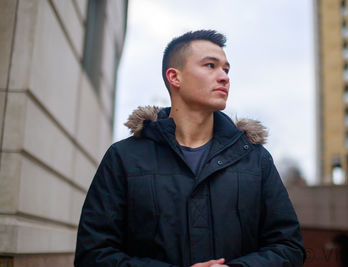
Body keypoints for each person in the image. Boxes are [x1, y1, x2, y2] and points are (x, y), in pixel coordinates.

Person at [75, 30, 305, 267]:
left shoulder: (255, 159)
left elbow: (289, 248)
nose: (224, 77)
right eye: (210, 66)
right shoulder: (124, 158)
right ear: (175, 77)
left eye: (226, 69)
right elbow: (93, 255)